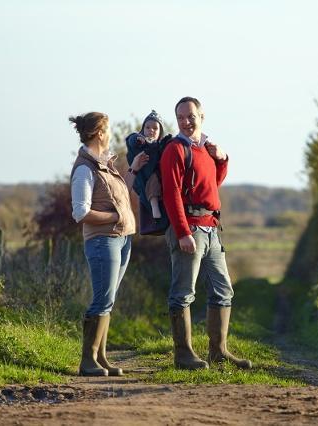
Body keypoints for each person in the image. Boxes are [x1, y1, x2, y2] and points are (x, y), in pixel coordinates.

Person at [161, 96, 252, 370]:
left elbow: (212, 184)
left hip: (212, 228)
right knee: (183, 293)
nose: (186, 122)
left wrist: (222, 159)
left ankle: (218, 351)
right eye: (180, 118)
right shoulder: (175, 150)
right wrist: (182, 232)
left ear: (202, 116)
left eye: (190, 116)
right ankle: (183, 354)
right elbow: (171, 194)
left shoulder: (206, 148)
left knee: (224, 290)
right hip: (189, 228)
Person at [69, 111, 148, 376]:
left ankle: (100, 358)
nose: (111, 133)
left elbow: (120, 194)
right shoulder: (84, 168)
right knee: (102, 300)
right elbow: (80, 213)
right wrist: (115, 216)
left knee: (108, 300)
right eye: (109, 129)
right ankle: (87, 361)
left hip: (121, 238)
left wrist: (134, 168)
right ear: (100, 132)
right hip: (102, 241)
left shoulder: (104, 164)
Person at [125, 110, 171, 221]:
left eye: (155, 128)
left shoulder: (160, 145)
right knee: (152, 185)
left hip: (158, 176)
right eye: (147, 127)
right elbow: (131, 140)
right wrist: (138, 140)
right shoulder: (140, 141)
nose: (151, 130)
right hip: (142, 178)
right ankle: (154, 209)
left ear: (160, 132)